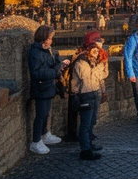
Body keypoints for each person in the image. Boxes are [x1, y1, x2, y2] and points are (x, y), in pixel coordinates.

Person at [27, 25, 68, 155]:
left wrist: (60, 64)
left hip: (48, 86)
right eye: (49, 38)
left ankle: (45, 134)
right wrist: (55, 71)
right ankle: (36, 141)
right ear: (43, 38)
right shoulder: (35, 52)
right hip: (40, 87)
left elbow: (54, 62)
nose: (51, 41)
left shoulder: (49, 50)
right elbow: (36, 73)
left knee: (46, 113)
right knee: (40, 115)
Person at [71, 31, 110, 160]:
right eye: (94, 49)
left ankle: (89, 144)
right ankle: (85, 150)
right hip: (85, 94)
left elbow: (103, 75)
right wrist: (99, 66)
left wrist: (103, 63)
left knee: (92, 122)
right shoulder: (81, 62)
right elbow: (87, 76)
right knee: (85, 124)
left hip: (95, 92)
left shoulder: (96, 60)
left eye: (98, 50)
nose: (97, 52)